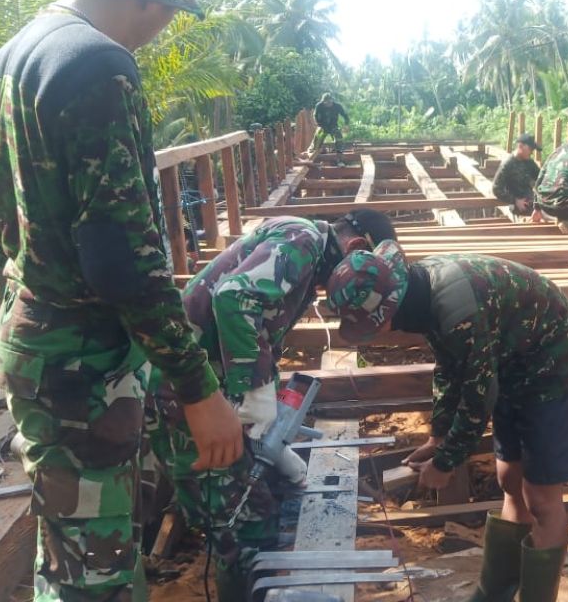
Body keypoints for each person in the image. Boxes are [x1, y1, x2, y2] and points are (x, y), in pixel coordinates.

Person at [0, 0, 245, 602]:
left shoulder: (14, 56)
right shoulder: (100, 67)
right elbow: (122, 258)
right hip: (83, 370)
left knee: (68, 557)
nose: (162, 29)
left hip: (38, 345)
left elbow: (8, 225)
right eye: (169, 10)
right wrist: (197, 388)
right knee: (96, 580)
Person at [146, 211, 396, 601]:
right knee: (245, 524)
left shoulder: (304, 250)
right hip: (186, 396)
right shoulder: (303, 242)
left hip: (201, 389)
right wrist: (257, 391)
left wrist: (272, 430)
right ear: (357, 248)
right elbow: (233, 297)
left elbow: (256, 328)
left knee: (266, 492)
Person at [329, 241, 568, 602]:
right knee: (509, 479)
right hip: (510, 362)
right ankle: (494, 592)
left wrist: (446, 461)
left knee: (542, 499)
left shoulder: (457, 311)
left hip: (554, 367)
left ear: (386, 312)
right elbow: (449, 366)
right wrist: (438, 436)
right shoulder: (420, 289)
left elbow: (477, 395)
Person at [492, 133, 544, 221]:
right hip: (519, 208)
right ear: (520, 146)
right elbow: (496, 188)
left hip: (533, 204)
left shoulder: (529, 162)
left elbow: (541, 180)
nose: (531, 152)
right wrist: (515, 200)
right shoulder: (508, 164)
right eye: (530, 149)